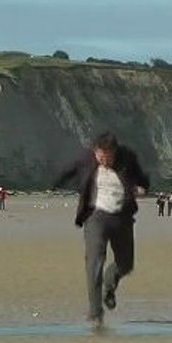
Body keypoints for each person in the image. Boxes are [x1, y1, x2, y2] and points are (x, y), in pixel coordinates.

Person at [52, 131, 150, 328]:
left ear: (115, 152)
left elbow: (143, 180)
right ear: (95, 152)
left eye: (108, 156)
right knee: (94, 262)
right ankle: (96, 312)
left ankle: (110, 284)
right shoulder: (87, 159)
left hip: (122, 217)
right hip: (96, 216)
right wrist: (55, 184)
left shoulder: (128, 159)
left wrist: (142, 189)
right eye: (100, 156)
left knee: (126, 264)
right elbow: (68, 171)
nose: (104, 160)